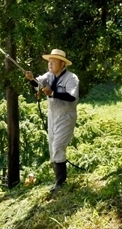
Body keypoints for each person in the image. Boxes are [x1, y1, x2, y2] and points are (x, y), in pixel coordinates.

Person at [25, 48, 79, 192]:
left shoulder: (71, 78)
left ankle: (60, 182)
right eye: (49, 61)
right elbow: (38, 84)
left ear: (62, 64)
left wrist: (53, 93)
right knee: (52, 148)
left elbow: (72, 97)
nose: (50, 64)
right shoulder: (48, 76)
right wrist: (31, 79)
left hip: (66, 116)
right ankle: (57, 181)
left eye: (53, 61)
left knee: (58, 147)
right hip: (52, 115)